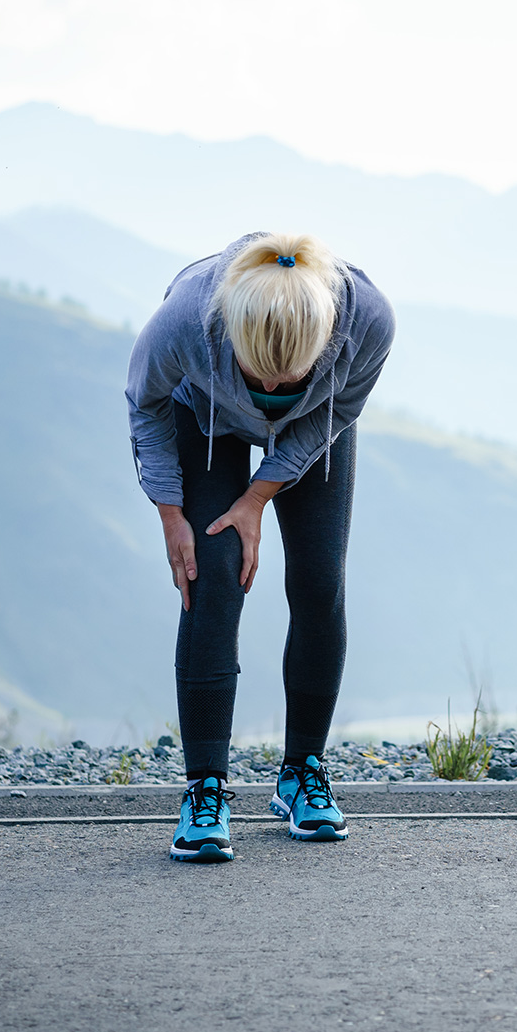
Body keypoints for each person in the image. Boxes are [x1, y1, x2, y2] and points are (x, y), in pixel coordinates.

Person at [126, 232, 395, 862]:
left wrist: (257, 497)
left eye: (288, 379)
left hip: (316, 426)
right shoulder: (185, 321)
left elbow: (341, 413)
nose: (271, 391)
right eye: (258, 377)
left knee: (319, 580)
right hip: (205, 417)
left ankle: (302, 771)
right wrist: (171, 511)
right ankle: (205, 789)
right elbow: (146, 406)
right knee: (210, 573)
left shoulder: (368, 324)